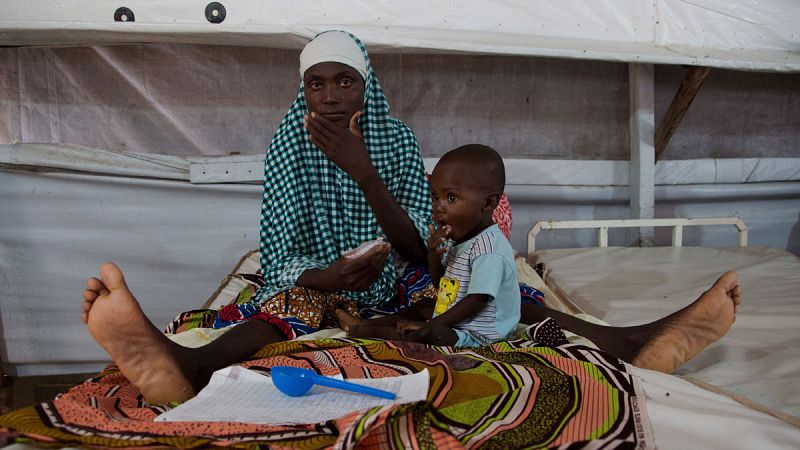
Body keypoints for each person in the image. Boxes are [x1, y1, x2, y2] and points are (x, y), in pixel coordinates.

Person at [81, 31, 742, 406]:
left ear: (366, 84)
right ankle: (189, 367)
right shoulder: (288, 143)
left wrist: (364, 170)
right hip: (319, 280)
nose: (331, 96)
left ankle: (629, 343)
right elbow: (276, 248)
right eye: (317, 83)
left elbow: (423, 244)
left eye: (345, 81)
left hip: (400, 276)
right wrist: (325, 277)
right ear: (302, 89)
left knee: (498, 291)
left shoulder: (394, 142)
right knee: (282, 306)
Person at [336, 144, 520, 346]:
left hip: (480, 334)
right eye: (435, 197)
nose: (438, 207)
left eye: (451, 198)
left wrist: (431, 325)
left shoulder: (489, 249)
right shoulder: (460, 241)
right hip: (459, 320)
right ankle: (364, 324)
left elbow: (476, 301)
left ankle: (372, 333)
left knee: (433, 334)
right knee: (423, 305)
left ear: (488, 203)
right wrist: (433, 256)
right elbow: (444, 286)